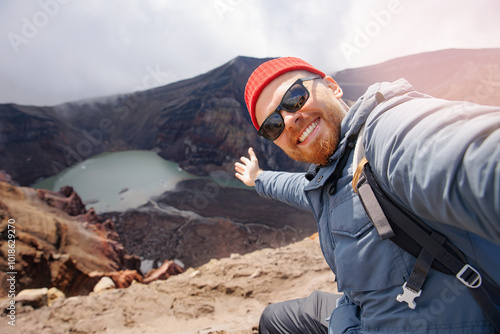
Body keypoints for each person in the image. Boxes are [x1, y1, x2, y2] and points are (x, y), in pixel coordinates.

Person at [234, 57, 500, 333]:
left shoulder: (385, 133)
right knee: (275, 317)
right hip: (357, 317)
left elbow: (464, 155)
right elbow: (297, 188)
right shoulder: (328, 181)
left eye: (295, 97)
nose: (289, 120)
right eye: (273, 125)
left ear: (333, 87)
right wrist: (259, 178)